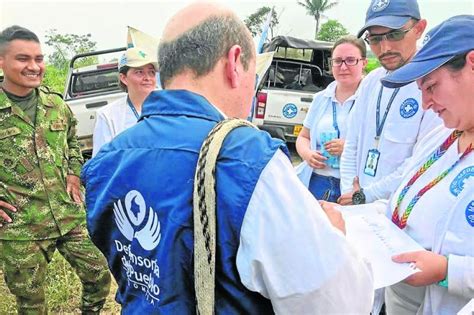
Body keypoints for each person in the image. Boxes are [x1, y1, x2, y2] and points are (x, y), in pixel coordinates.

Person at [82, 3, 374, 314]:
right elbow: (335, 303)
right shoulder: (244, 157)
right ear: (235, 63)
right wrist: (334, 238)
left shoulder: (107, 160)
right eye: (255, 72)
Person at [0, 26, 111, 314]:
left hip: (67, 214)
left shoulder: (56, 105)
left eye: (39, 58)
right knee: (31, 304)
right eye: (23, 59)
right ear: (2, 61)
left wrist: (75, 172)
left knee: (99, 275)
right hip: (20, 225)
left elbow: (72, 141)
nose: (34, 66)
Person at [378, 15, 474, 315]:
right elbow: (405, 200)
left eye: (431, 86)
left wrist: (449, 271)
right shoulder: (442, 135)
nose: (425, 103)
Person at [338, 0, 442, 205]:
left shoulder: (433, 84)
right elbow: (351, 144)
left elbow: (423, 161)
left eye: (394, 34)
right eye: (375, 39)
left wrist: (366, 196)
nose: (385, 47)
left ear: (419, 29)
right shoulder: (371, 82)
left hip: (402, 213)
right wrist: (350, 193)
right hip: (359, 211)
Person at [296, 35, 367, 202]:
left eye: (350, 60)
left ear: (363, 63)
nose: (343, 67)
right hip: (316, 183)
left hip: (352, 186)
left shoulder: (371, 99)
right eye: (337, 61)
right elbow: (303, 137)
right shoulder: (321, 98)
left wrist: (348, 148)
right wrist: (307, 154)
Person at [92, 46, 157, 156]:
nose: (147, 78)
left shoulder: (170, 107)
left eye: (151, 72)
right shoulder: (108, 116)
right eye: (139, 72)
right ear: (124, 78)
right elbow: (101, 162)